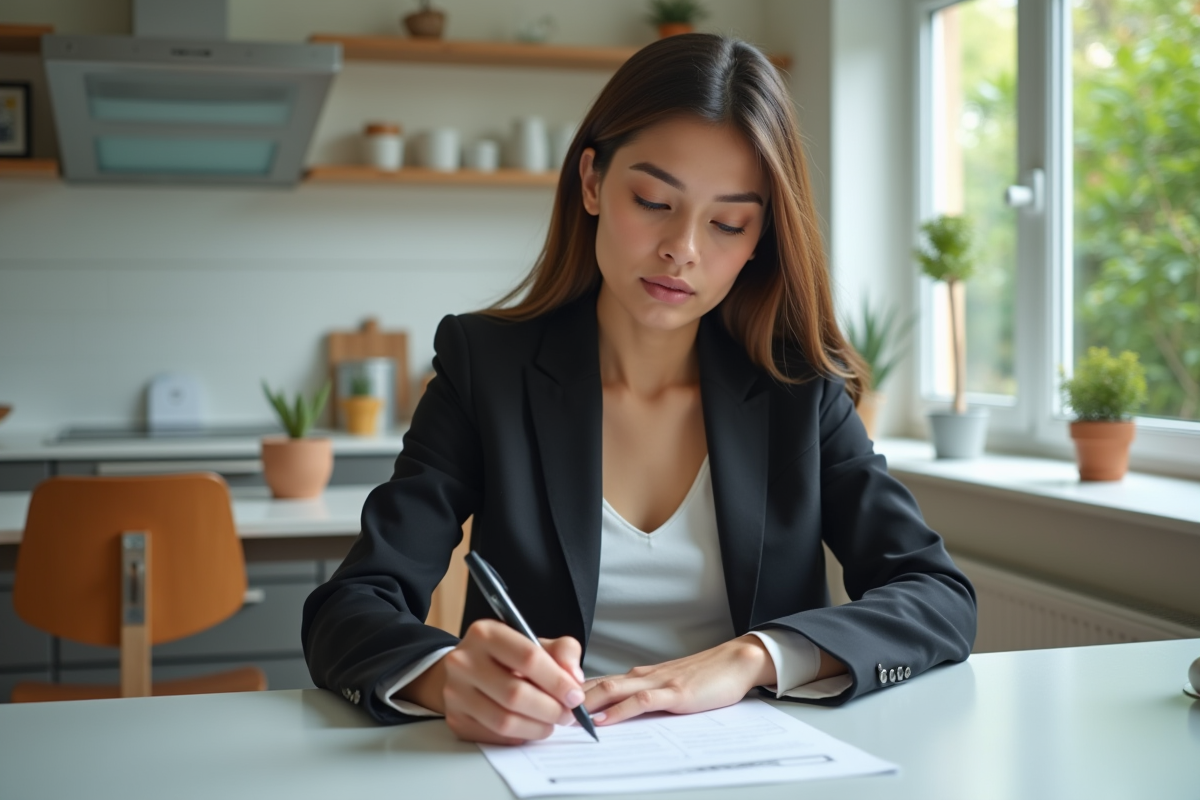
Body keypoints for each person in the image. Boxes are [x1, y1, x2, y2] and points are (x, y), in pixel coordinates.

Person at [302, 33, 976, 745]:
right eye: (654, 201)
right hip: (543, 767)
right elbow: (349, 607)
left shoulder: (796, 388)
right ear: (591, 181)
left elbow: (938, 598)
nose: (683, 249)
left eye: (727, 223)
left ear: (759, 242)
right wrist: (445, 678)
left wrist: (751, 658)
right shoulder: (487, 368)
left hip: (754, 766)